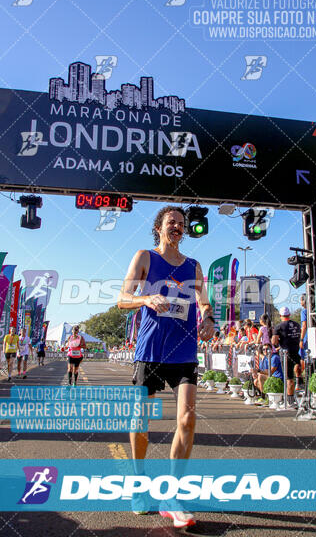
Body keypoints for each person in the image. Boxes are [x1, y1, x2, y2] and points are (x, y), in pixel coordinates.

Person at [118, 206, 215, 528]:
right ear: (159, 227)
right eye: (171, 222)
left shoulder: (193, 265)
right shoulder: (145, 256)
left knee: (187, 419)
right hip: (151, 350)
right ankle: (139, 482)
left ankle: (173, 493)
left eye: (181, 224)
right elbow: (122, 298)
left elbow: (203, 301)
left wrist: (209, 320)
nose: (177, 226)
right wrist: (145, 300)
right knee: (141, 420)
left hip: (185, 350)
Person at [272, 306, 301, 408]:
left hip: (286, 354)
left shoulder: (279, 326)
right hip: (296, 352)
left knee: (288, 378)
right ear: (289, 315)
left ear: (280, 316)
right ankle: (299, 383)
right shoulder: (297, 325)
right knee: (295, 372)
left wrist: (278, 344)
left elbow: (274, 341)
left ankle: (289, 401)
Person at [298, 294, 308, 382]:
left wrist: (301, 339)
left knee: (302, 357)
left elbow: (304, 326)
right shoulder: (313, 310)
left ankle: (302, 378)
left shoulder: (304, 312)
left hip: (306, 338)